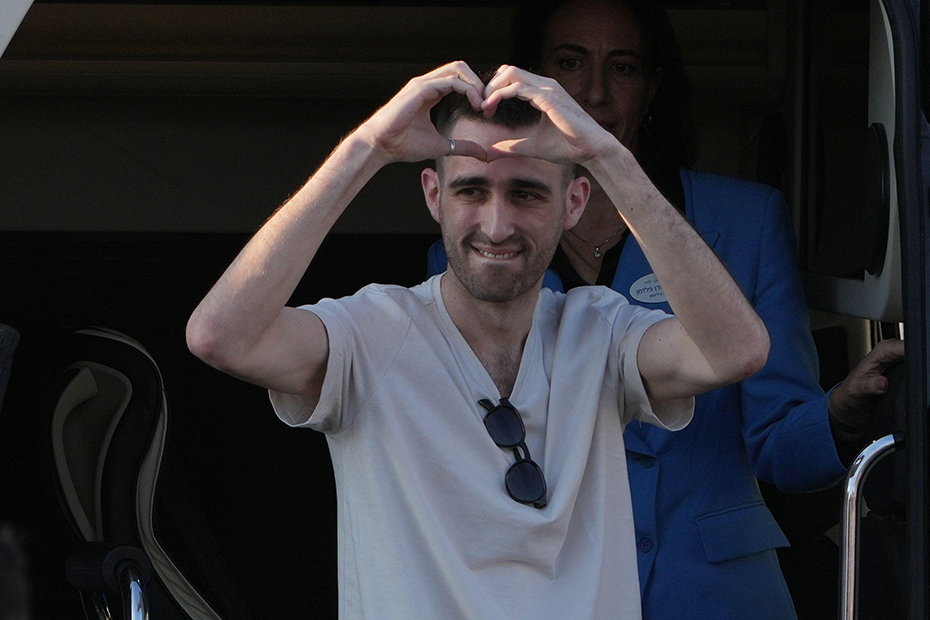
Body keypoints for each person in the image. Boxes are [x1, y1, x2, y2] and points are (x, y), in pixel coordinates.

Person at [187, 61, 770, 619]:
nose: (497, 226)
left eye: (526, 194)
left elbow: (737, 351)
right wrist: (367, 148)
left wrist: (609, 157)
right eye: (471, 191)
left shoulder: (603, 330)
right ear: (433, 196)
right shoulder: (370, 332)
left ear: (574, 203)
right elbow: (220, 336)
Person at [426, 2, 905, 618]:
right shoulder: (480, 240)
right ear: (527, 80)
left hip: (714, 593)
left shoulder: (746, 221)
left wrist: (839, 413)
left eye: (622, 67)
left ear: (651, 87)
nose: (594, 91)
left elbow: (782, 450)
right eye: (570, 63)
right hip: (545, 592)